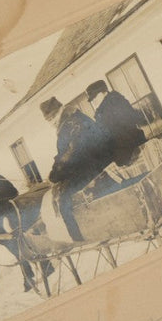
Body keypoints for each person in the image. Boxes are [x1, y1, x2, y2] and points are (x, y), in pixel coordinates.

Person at [42, 96, 111, 241]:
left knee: (62, 199)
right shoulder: (75, 117)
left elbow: (70, 154)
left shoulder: (69, 124)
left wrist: (55, 175)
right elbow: (64, 154)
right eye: (48, 120)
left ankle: (78, 239)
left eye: (51, 118)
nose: (51, 123)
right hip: (98, 162)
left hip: (89, 167)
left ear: (59, 111)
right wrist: (56, 169)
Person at [86, 81, 148, 168]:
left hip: (130, 152)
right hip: (126, 152)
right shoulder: (104, 109)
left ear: (104, 92)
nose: (93, 101)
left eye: (95, 97)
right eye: (91, 99)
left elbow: (123, 129)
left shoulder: (113, 104)